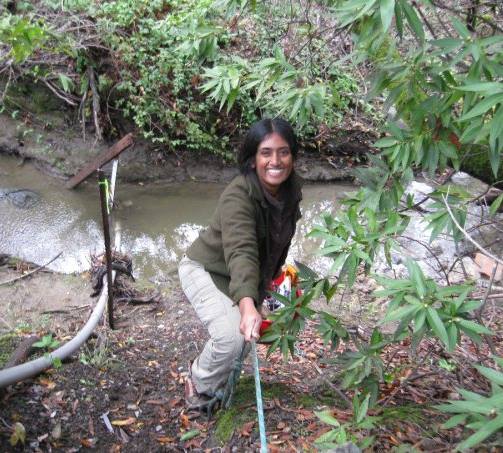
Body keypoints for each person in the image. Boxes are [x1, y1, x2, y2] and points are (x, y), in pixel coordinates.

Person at [178, 117, 303, 409]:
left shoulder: (290, 191)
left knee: (251, 331)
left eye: (283, 152)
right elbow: (241, 251)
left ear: (293, 157)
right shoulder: (238, 196)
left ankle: (220, 376)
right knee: (232, 338)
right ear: (252, 160)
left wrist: (266, 289)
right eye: (266, 152)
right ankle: (199, 383)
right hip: (206, 269)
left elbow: (277, 245)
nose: (276, 161)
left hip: (242, 277)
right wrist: (248, 305)